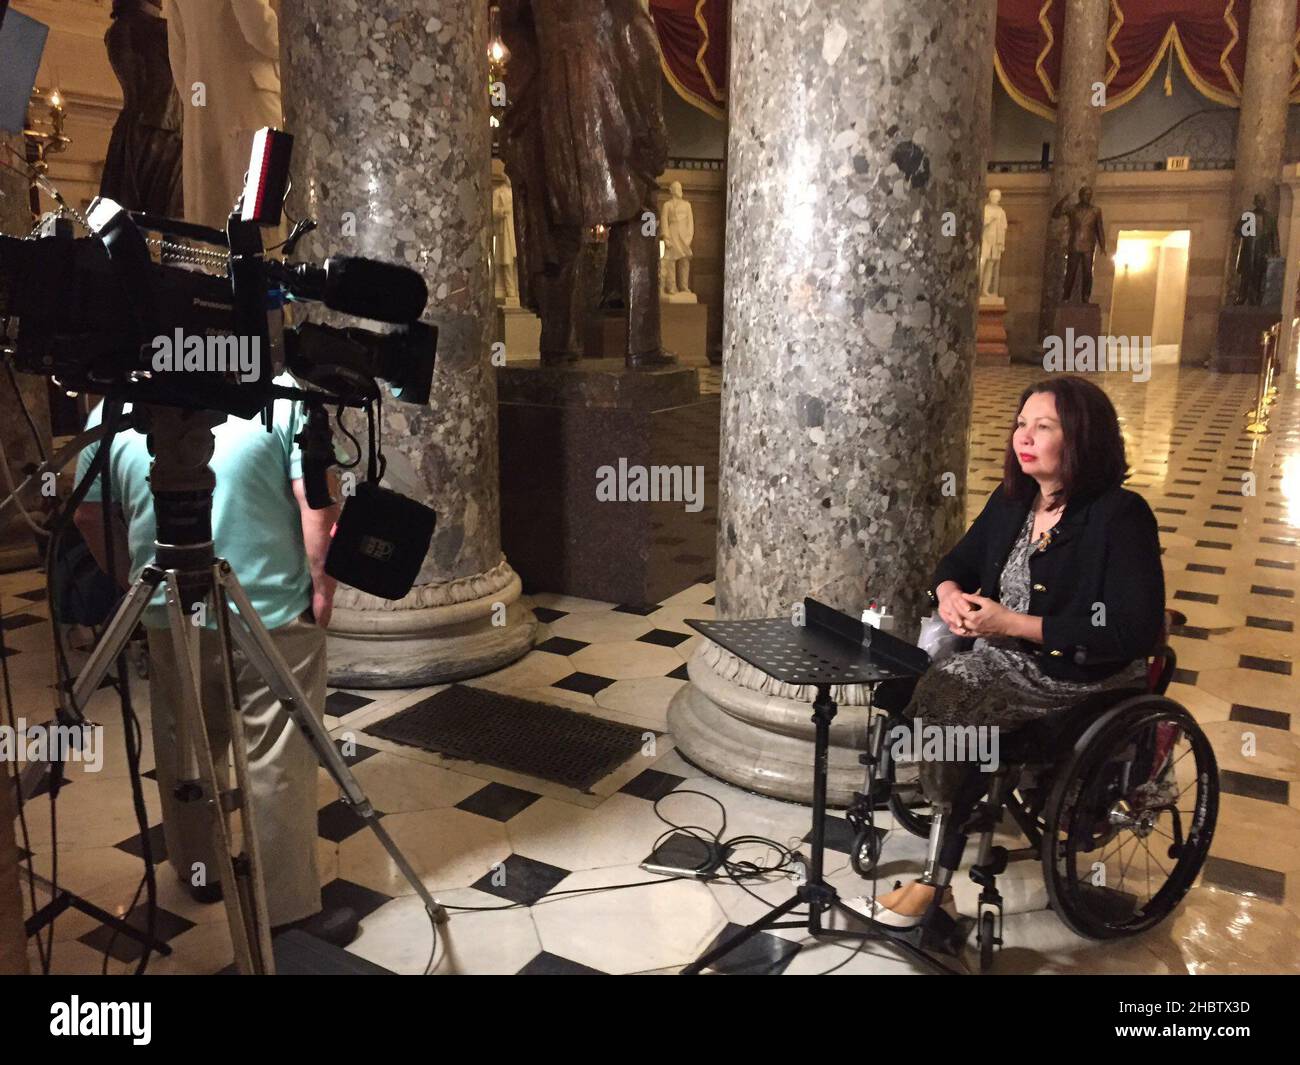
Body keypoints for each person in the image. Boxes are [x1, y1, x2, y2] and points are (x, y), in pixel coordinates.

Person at [846, 375, 1164, 928]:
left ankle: (935, 883)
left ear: (1083, 439)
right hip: (1005, 659)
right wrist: (948, 598)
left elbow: (1133, 631)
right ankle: (948, 823)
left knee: (953, 706)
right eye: (1021, 423)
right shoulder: (1015, 501)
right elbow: (955, 566)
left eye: (1044, 426)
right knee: (912, 684)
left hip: (1082, 674)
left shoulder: (1120, 515)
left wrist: (1015, 623)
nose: (1025, 435)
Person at [71, 378, 358, 946]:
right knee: (276, 754)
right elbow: (316, 504)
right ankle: (287, 907)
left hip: (168, 607)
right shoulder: (276, 391)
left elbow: (87, 515)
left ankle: (198, 868)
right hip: (269, 607)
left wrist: (134, 583)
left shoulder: (117, 400)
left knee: (186, 742)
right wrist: (322, 588)